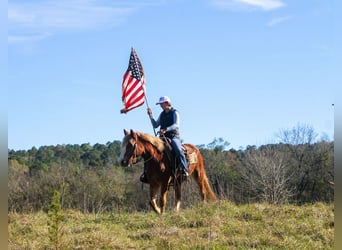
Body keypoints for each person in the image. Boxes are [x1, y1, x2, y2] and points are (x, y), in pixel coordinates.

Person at [140, 96, 189, 183]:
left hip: (173, 136)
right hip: (162, 137)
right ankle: (146, 173)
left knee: (178, 149)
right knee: (148, 150)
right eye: (160, 104)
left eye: (162, 104)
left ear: (167, 103)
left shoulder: (175, 112)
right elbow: (155, 125)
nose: (161, 106)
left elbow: (176, 125)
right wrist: (151, 115)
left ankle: (184, 169)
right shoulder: (162, 114)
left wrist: (166, 129)